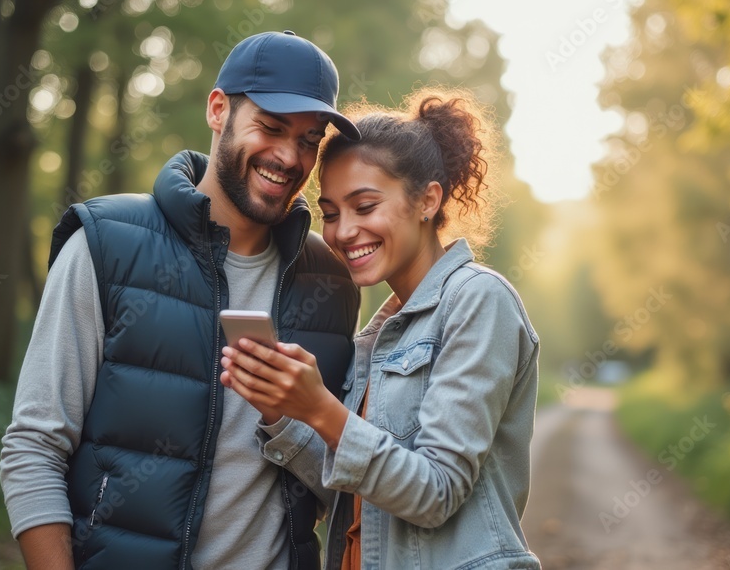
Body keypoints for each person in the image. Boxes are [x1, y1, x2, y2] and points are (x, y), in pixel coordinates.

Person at [0, 31, 361, 570]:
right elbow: (33, 448)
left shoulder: (333, 282)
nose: (289, 156)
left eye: (310, 139)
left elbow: (343, 483)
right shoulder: (105, 245)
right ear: (219, 111)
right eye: (271, 127)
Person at [221, 88, 542, 569]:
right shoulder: (379, 332)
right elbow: (358, 496)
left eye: (365, 206)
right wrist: (285, 412)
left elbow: (435, 494)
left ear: (427, 200)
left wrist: (322, 409)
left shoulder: (477, 300)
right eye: (329, 214)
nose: (343, 231)